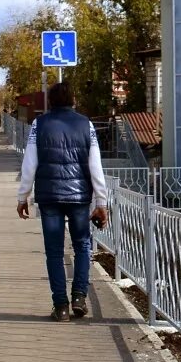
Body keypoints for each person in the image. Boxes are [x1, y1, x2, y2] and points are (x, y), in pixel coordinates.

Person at [16, 81, 110, 321]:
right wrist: (101, 201)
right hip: (79, 197)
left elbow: (30, 163)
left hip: (49, 196)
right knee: (82, 247)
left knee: (55, 252)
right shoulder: (86, 125)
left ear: (51, 101)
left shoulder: (40, 124)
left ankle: (61, 306)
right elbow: (95, 166)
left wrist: (22, 196)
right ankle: (79, 296)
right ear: (73, 100)